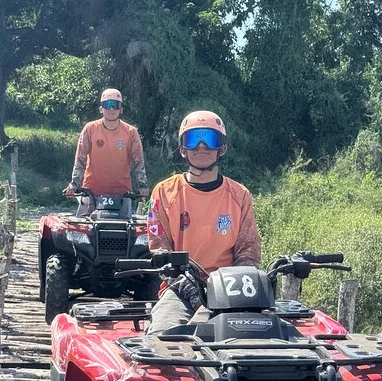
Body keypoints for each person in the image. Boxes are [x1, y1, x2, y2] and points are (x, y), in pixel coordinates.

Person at [146, 110, 261, 334]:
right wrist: (188, 286)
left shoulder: (240, 195)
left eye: (210, 139)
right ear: (183, 149)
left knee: (260, 339)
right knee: (161, 336)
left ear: (222, 148)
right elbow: (160, 250)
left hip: (232, 291)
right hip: (180, 289)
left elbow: (248, 252)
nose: (201, 146)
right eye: (193, 139)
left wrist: (233, 289)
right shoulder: (164, 192)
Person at [63, 88, 149, 214]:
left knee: (126, 224)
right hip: (91, 192)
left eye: (115, 105)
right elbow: (80, 159)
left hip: (122, 193)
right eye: (107, 104)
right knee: (82, 224)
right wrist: (74, 185)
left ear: (121, 109)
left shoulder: (131, 132)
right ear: (101, 109)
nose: (111, 109)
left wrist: (142, 186)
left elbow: (138, 161)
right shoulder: (90, 129)